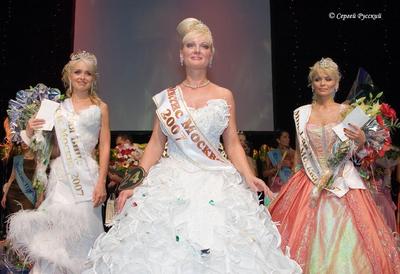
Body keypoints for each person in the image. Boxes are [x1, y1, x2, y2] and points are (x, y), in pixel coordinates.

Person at [83, 18, 301, 273]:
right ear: (181, 54)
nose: (197, 50)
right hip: (172, 181)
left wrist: (249, 176)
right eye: (190, 45)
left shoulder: (224, 95)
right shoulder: (166, 99)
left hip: (217, 181)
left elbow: (232, 144)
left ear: (211, 56)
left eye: (204, 46)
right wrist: (132, 184)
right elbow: (154, 145)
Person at [269, 58, 400, 273]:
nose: (322, 83)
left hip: (343, 183)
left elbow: (365, 155)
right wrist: (292, 184)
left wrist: (360, 141)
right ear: (312, 83)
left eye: (328, 79)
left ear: (337, 83)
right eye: (317, 79)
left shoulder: (348, 112)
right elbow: (300, 156)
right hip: (307, 183)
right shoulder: (301, 113)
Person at [7, 51, 110, 274]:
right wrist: (30, 128)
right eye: (78, 72)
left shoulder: (101, 107)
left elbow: (104, 146)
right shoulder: (55, 107)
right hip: (61, 177)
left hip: (88, 178)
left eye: (88, 73)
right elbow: (42, 146)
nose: (83, 77)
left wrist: (102, 181)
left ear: (94, 78)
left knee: (86, 232)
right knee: (54, 234)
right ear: (68, 76)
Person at [1, 143, 36, 213]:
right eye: (22, 141)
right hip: (13, 193)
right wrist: (4, 196)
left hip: (28, 193)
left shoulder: (37, 158)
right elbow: (11, 178)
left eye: (25, 141)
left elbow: (40, 178)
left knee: (27, 216)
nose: (24, 143)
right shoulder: (17, 158)